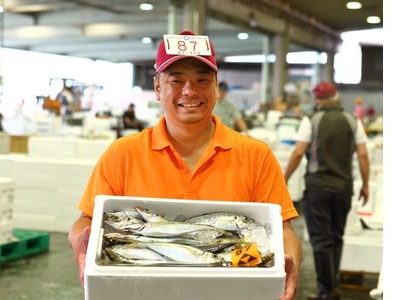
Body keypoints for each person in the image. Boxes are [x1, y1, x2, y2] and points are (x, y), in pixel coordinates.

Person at [68, 30, 301, 300]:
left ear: (216, 87)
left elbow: (282, 229)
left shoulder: (255, 155)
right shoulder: (122, 154)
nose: (190, 91)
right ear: (157, 88)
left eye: (202, 80)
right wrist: (80, 242)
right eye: (176, 81)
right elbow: (87, 219)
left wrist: (288, 260)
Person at [284, 81, 370, 300]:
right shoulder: (353, 120)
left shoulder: (311, 120)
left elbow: (297, 153)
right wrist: (366, 184)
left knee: (321, 240)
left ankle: (326, 290)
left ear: (318, 99)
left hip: (318, 188)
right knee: (336, 237)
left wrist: (283, 179)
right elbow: (362, 154)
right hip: (343, 188)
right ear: (336, 96)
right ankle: (331, 286)